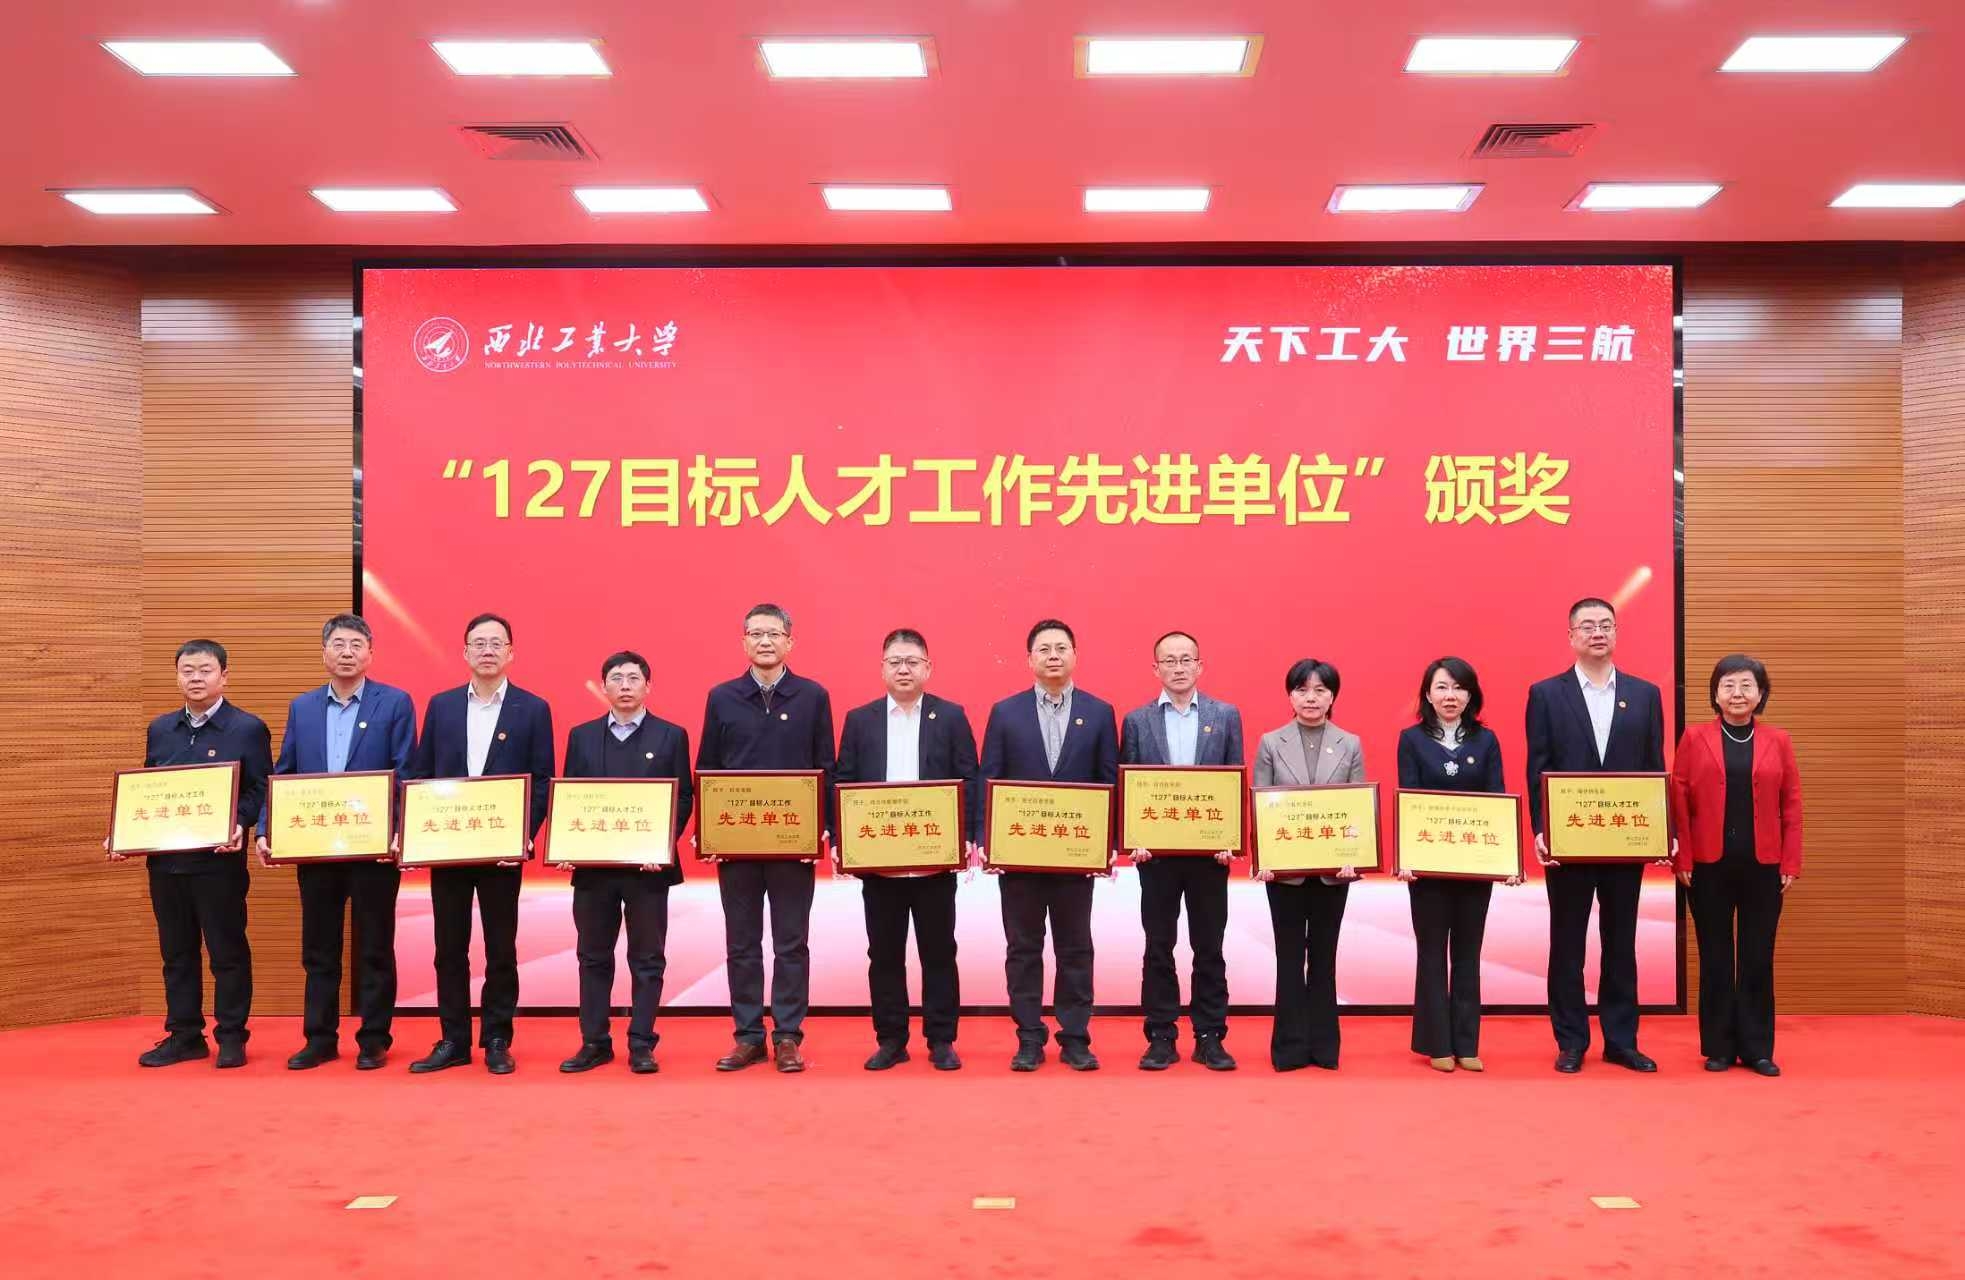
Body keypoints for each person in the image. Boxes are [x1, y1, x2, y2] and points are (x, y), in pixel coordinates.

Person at [254, 614, 416, 1071]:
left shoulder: (395, 702)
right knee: (319, 949)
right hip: (317, 848)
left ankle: (374, 1039)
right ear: (324, 652)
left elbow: (406, 771)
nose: (347, 652)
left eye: (356, 644)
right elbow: (285, 773)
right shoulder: (303, 707)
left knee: (375, 947)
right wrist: (266, 828)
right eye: (339, 644)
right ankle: (320, 1038)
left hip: (374, 850)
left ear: (371, 654)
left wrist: (400, 830)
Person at [1525, 596, 1670, 1075]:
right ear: (1571, 636)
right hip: (1569, 844)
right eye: (1587, 626)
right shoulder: (1546, 694)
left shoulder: (1645, 695)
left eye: (1606, 624)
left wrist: (1660, 828)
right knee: (1567, 943)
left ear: (1617, 632)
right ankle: (1571, 1041)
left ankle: (1621, 1041)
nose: (1597, 633)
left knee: (1620, 942)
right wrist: (1542, 830)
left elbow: (1653, 768)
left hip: (1623, 843)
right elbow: (1538, 767)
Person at [110, 640, 272, 1069]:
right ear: (177, 676)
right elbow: (149, 792)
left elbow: (261, 787)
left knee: (227, 952)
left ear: (224, 676)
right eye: (187, 670)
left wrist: (240, 821)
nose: (196, 678)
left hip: (219, 863)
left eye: (205, 670)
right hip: (166, 865)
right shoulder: (161, 728)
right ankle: (184, 1036)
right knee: (176, 953)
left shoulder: (247, 728)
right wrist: (124, 834)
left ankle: (232, 1035)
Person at [405, 612, 554, 1075]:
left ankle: (496, 1038)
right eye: (479, 643)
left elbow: (542, 781)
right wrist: (418, 835)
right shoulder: (443, 705)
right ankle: (452, 1039)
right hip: (449, 849)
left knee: (500, 947)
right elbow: (422, 774)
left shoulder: (533, 709)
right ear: (465, 652)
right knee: (448, 947)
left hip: (502, 852)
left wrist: (523, 836)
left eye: (496, 643)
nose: (487, 650)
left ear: (511, 652)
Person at [835, 628, 982, 1072]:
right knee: (884, 954)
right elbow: (844, 782)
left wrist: (969, 836)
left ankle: (941, 1039)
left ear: (928, 668)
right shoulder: (860, 720)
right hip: (880, 865)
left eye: (912, 661)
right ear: (882, 668)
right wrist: (842, 839)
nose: (904, 669)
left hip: (934, 861)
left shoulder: (950, 716)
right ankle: (891, 1039)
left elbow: (969, 778)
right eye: (895, 661)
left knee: (939, 952)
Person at [697, 603, 836, 1074]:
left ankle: (789, 1035)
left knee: (791, 943)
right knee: (742, 943)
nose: (765, 641)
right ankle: (748, 1036)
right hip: (737, 845)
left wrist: (823, 826)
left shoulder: (812, 696)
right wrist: (710, 832)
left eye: (774, 634)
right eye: (756, 633)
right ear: (743, 642)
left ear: (789, 642)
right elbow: (708, 769)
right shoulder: (722, 697)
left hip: (792, 844)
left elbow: (825, 766)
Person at [980, 618, 1119, 1072]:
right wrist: (987, 841)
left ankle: (1075, 1037)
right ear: (1030, 659)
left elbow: (1109, 781)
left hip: (1075, 855)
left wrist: (1108, 842)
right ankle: (1028, 1037)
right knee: (1023, 948)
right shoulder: (1006, 712)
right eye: (1044, 649)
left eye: (1061, 647)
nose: (1053, 655)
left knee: (1075, 947)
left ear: (1075, 656)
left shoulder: (1099, 712)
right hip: (1019, 856)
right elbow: (990, 778)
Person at [557, 650, 693, 1076]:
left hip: (647, 872)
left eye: (634, 677)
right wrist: (567, 843)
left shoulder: (671, 735)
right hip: (594, 872)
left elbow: (683, 797)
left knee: (647, 959)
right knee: (592, 957)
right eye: (616, 678)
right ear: (604, 687)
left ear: (648, 686)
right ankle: (594, 1042)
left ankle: (641, 1042)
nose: (625, 685)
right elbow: (570, 796)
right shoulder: (581, 736)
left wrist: (661, 846)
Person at [1119, 630, 1246, 1071]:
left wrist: (1232, 838)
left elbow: (1233, 777)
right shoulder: (1137, 721)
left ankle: (1210, 1035)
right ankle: (1161, 1034)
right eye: (1169, 660)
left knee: (1209, 945)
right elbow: (1128, 783)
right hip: (1156, 857)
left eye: (1186, 659)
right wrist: (1132, 836)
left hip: (1209, 856)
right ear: (1155, 669)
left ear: (1199, 666)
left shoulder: (1225, 715)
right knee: (1159, 945)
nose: (1178, 667)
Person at [1670, 655, 1802, 1077]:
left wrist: (1790, 860)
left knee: (1757, 956)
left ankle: (1757, 1048)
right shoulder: (1695, 738)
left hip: (1764, 866)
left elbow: (1791, 804)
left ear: (1761, 694)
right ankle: (1720, 1047)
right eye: (1728, 685)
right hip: (1707, 866)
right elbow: (1678, 802)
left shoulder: (1778, 740)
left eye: (1747, 685)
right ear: (1715, 694)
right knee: (1715, 957)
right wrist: (1682, 857)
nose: (1738, 693)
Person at [1395, 657, 1518, 1073]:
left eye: (1459, 687)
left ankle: (1467, 1043)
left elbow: (1497, 799)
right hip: (1427, 871)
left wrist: (1506, 859)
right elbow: (1409, 800)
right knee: (1431, 953)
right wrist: (1407, 858)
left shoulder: (1486, 740)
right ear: (1428, 695)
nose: (1451, 696)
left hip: (1474, 868)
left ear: (1471, 695)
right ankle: (1437, 1044)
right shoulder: (1411, 740)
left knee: (1468, 952)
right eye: (1442, 687)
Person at [1251, 658, 1364, 1071]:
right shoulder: (1270, 742)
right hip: (1285, 873)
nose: (1311, 698)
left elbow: (1356, 810)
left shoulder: (1349, 743)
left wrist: (1354, 858)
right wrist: (1264, 858)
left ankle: (1323, 1047)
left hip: (1333, 874)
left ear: (1333, 696)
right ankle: (1289, 1048)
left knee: (1323, 958)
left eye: (1320, 690)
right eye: (1302, 690)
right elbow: (1260, 805)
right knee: (1288, 958)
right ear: (1290, 695)